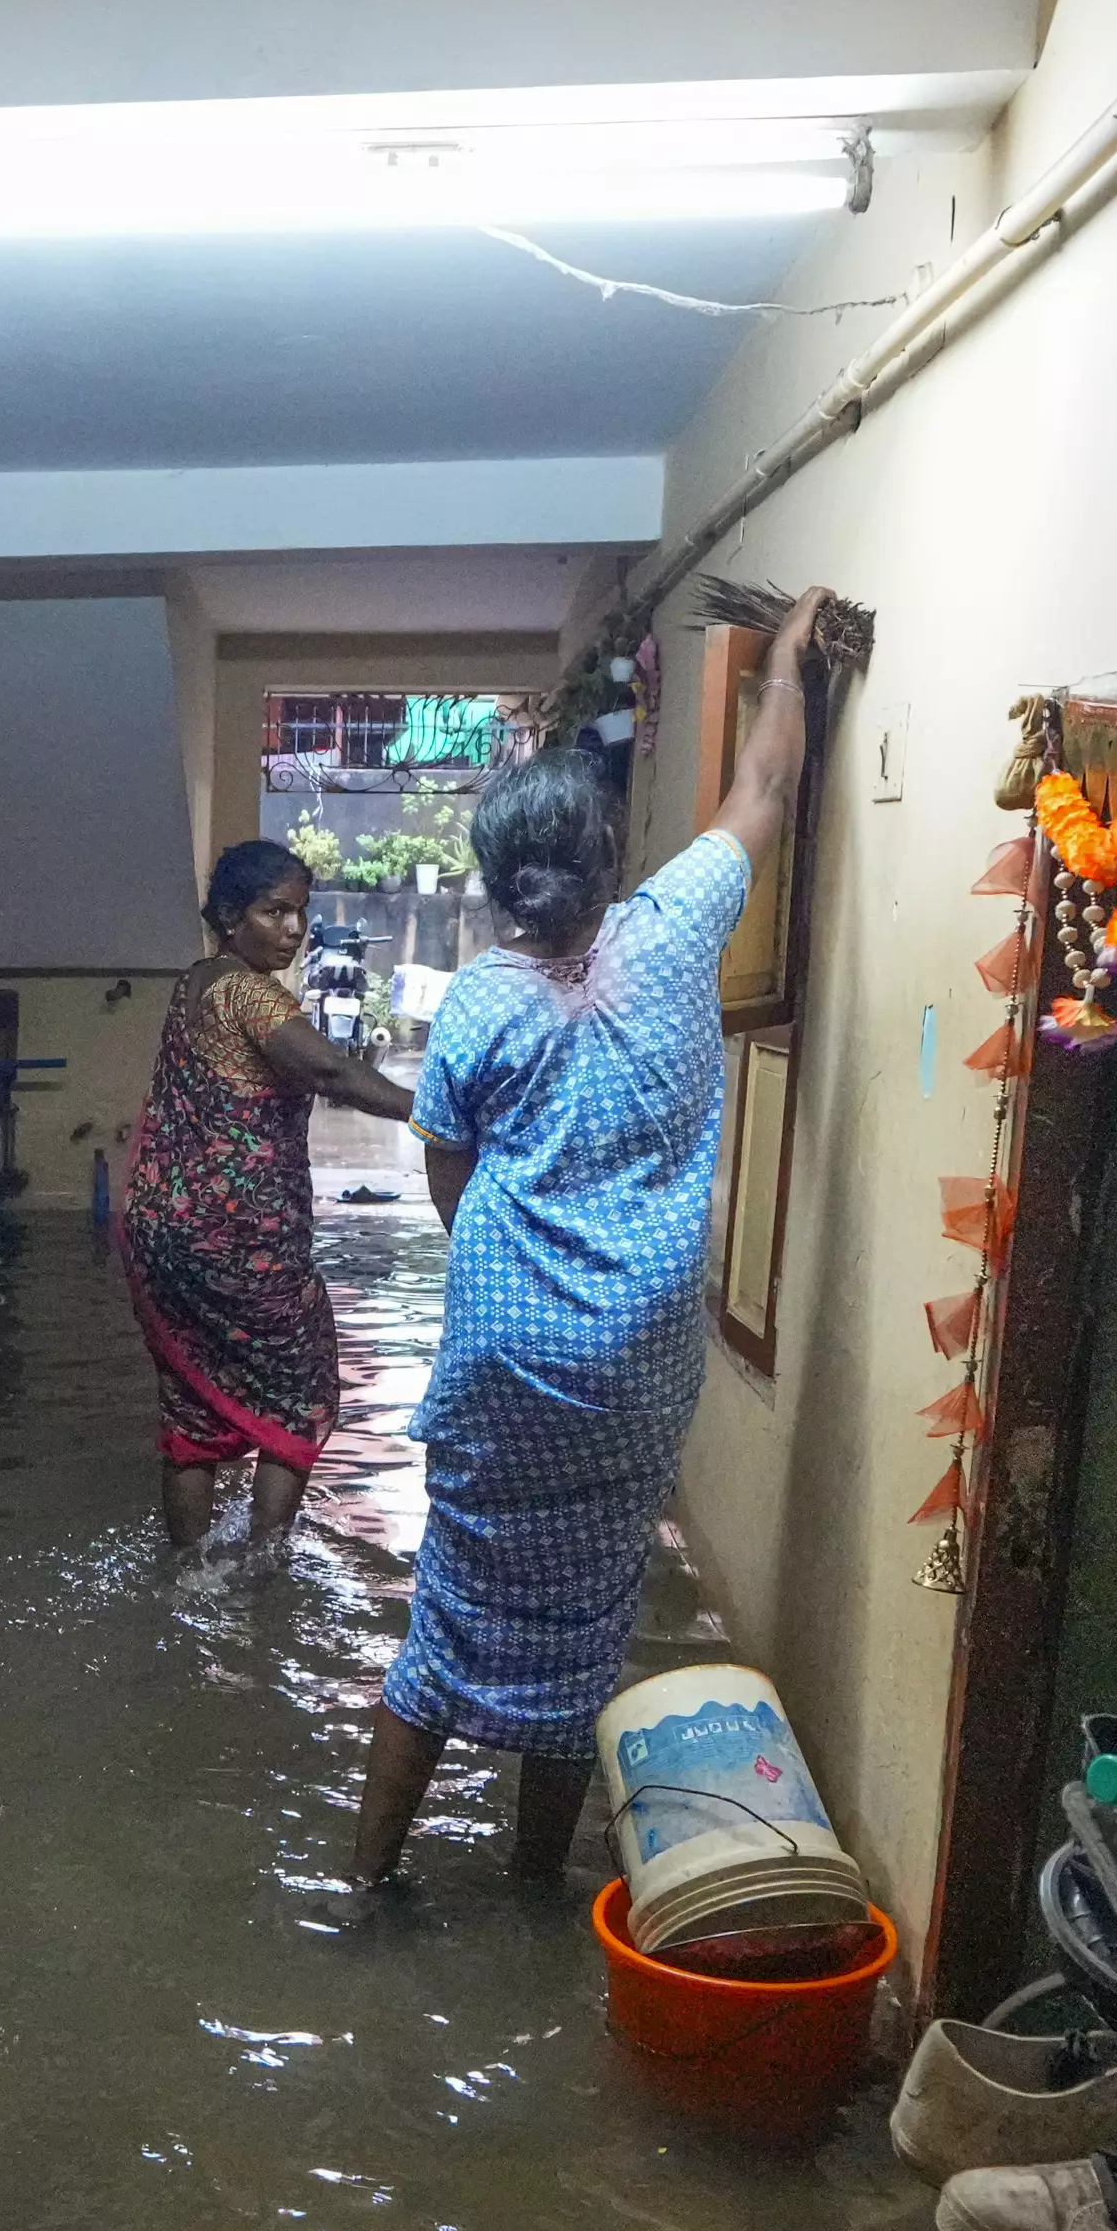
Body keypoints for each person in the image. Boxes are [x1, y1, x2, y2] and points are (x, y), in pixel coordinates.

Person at [348, 589, 834, 1883]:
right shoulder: (675, 938)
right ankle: (526, 1893)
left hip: (506, 1356)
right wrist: (787, 662)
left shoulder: (477, 1010)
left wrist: (504, 1270)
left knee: (443, 1629)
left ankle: (365, 1888)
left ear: (499, 886)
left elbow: (447, 1166)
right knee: (584, 1630)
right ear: (610, 856)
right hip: (633, 1369)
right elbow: (766, 787)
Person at [123, 839, 420, 1550]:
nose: (292, 930)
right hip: (238, 1241)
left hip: (161, 1233)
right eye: (273, 911)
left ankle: (189, 1571)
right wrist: (437, 1110)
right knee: (306, 1384)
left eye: (300, 914)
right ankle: (262, 1565)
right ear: (231, 915)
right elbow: (334, 1075)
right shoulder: (250, 993)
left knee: (192, 1405)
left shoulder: (194, 982)